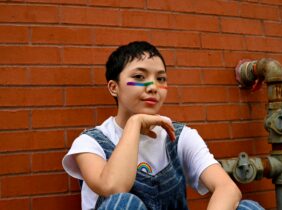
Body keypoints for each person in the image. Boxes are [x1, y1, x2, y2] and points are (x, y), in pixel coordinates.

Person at [62, 41, 264, 210]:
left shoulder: (180, 135)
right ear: (114, 87)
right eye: (139, 77)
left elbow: (227, 188)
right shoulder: (90, 143)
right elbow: (114, 187)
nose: (153, 87)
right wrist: (134, 124)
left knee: (248, 208)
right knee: (123, 203)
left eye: (160, 79)